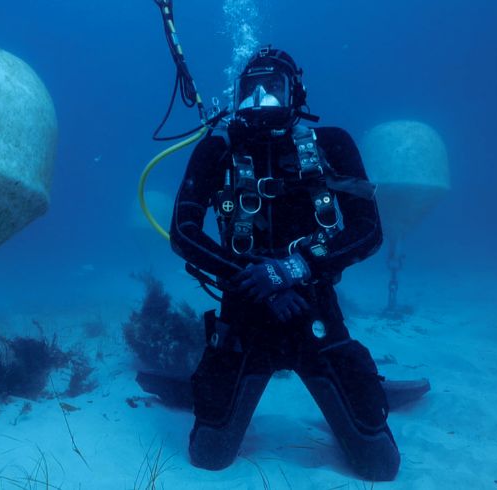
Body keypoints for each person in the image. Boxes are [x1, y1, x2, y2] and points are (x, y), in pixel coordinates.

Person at [169, 46, 400, 481]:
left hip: (314, 309)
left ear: (296, 93)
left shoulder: (332, 144)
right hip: (245, 312)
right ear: (235, 95)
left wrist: (293, 269)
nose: (260, 98)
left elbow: (369, 230)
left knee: (380, 464)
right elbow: (182, 232)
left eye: (273, 87)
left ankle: (360, 390)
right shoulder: (217, 149)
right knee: (209, 454)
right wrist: (255, 279)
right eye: (249, 89)